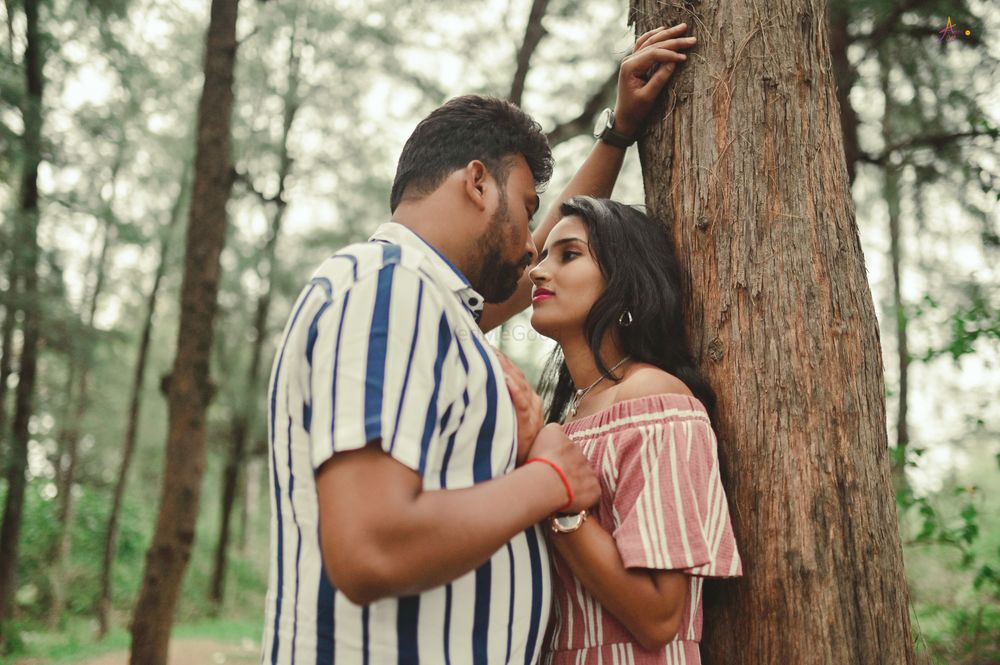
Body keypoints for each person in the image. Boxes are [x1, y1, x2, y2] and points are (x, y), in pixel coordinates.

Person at [262, 24, 697, 665]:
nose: (532, 249)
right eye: (525, 209)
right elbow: (370, 549)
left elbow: (541, 271)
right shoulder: (390, 289)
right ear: (477, 183)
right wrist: (549, 481)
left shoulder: (432, 306)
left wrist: (619, 134)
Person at [525, 197, 743, 664]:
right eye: (543, 256)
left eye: (568, 254)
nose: (538, 272)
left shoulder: (655, 403)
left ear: (624, 285)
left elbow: (661, 617)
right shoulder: (572, 416)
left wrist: (560, 501)